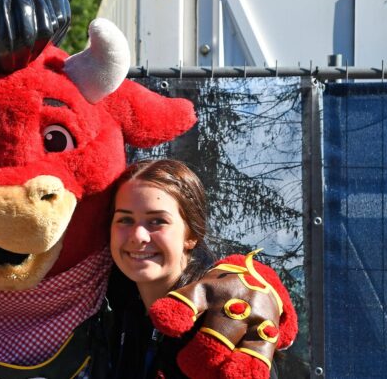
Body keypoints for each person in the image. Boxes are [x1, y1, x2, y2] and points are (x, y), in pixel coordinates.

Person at [107, 159, 282, 379]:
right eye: (125, 219)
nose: (138, 236)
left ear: (191, 236)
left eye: (157, 221)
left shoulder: (222, 320)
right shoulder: (110, 306)